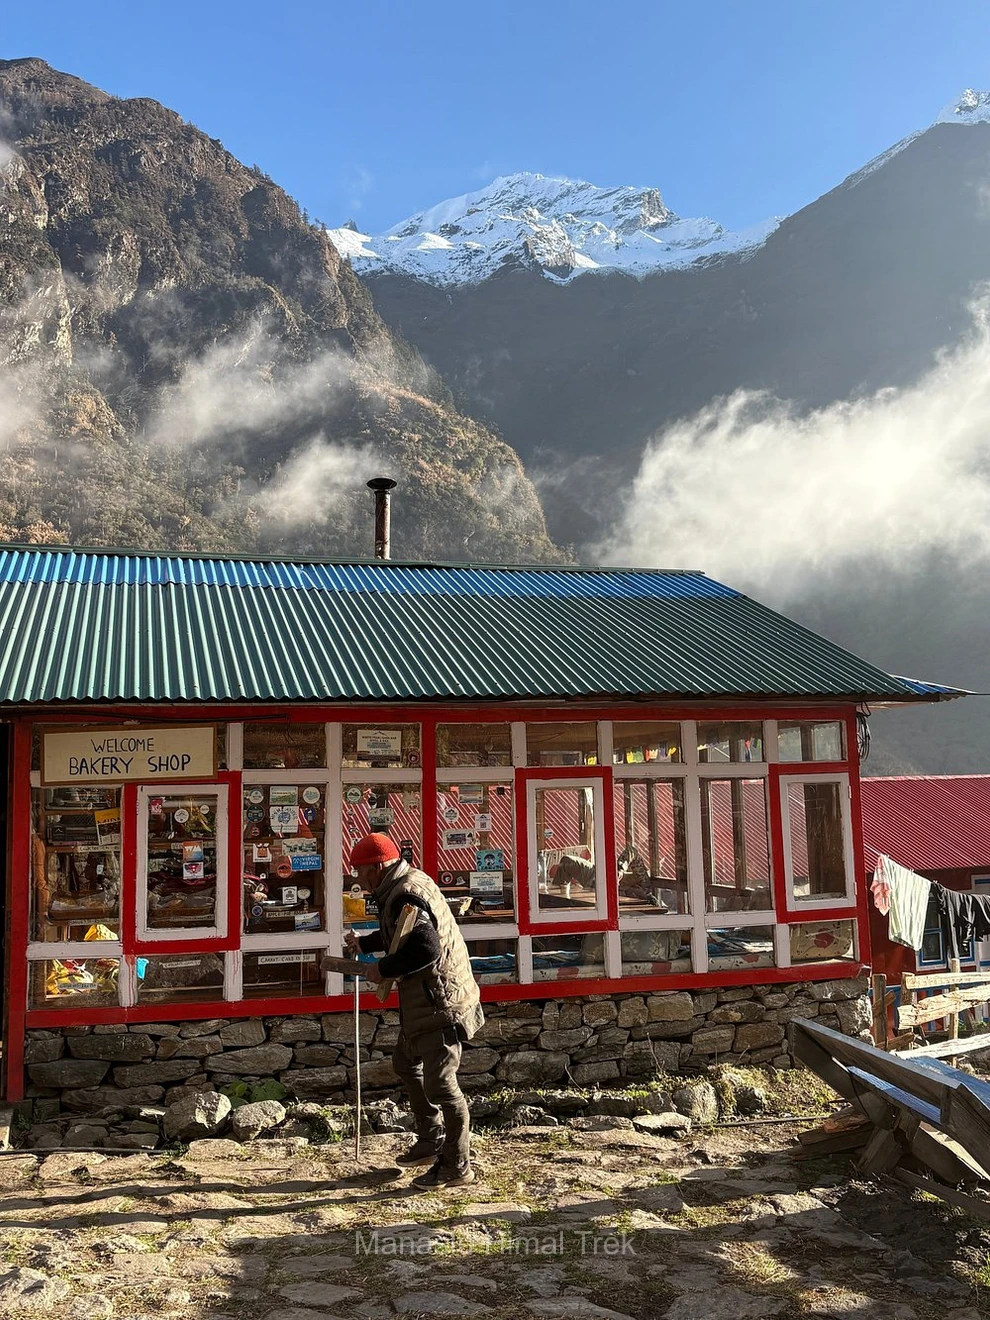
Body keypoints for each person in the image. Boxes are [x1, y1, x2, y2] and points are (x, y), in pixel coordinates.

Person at [344, 833, 484, 1189]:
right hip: (426, 1000)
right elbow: (401, 934)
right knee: (405, 1063)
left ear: (378, 867)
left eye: (360, 870)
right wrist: (366, 943)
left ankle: (456, 1165)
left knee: (442, 1085)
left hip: (440, 1001)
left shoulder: (406, 892)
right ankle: (431, 1138)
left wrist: (383, 968)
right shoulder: (403, 884)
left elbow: (425, 948)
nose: (358, 878)